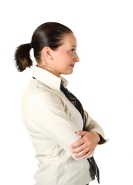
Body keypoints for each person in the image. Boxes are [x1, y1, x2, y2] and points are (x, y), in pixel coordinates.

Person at [15, 22, 107, 185]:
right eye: (71, 50)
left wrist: (94, 135)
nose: (77, 58)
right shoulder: (41, 97)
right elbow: (79, 147)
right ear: (48, 53)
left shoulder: (57, 91)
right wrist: (93, 137)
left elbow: (90, 122)